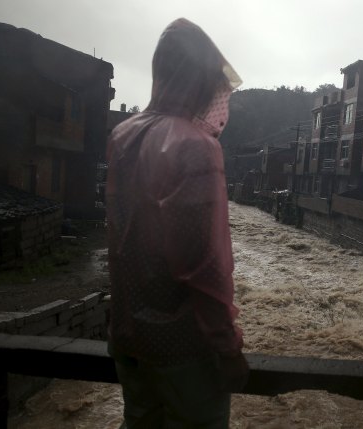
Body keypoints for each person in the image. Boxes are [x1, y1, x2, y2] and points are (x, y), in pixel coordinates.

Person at [105, 18, 247, 429]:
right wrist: (229, 348)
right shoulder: (196, 147)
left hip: (128, 340)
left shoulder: (123, 136)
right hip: (185, 353)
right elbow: (204, 266)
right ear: (201, 80)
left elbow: (122, 241)